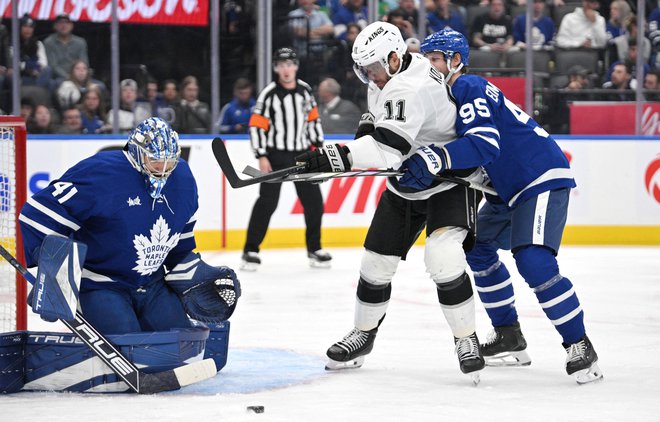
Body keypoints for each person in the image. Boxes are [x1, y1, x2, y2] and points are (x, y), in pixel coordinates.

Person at [399, 29, 603, 384]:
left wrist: (435, 157)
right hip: (505, 188)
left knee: (534, 260)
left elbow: (484, 144)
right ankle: (509, 335)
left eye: (434, 59)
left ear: (455, 61)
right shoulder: (442, 99)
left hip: (536, 175)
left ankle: (580, 345)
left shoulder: (467, 87)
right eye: (424, 59)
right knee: (478, 251)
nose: (427, 67)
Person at [295, 22, 485, 382]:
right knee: (374, 264)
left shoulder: (408, 86)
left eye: (374, 69)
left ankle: (466, 338)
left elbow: (385, 150)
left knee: (443, 260)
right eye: (364, 70)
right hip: (408, 182)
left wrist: (336, 156)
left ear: (394, 57)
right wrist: (354, 144)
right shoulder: (387, 76)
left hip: (449, 179)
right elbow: (377, 124)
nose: (370, 77)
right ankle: (363, 335)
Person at [18, 117, 241, 335]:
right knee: (126, 345)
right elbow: (37, 215)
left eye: (169, 161)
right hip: (99, 282)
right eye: (155, 160)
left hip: (152, 282)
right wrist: (53, 276)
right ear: (136, 153)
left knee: (181, 341)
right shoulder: (101, 174)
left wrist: (194, 270)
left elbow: (180, 240)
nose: (163, 168)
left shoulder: (182, 177)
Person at [241, 47, 331, 271]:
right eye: (281, 65)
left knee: (313, 203)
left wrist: (318, 147)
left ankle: (314, 249)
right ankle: (250, 250)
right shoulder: (269, 94)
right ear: (275, 68)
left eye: (290, 64)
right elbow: (256, 126)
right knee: (267, 203)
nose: (286, 69)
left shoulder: (305, 91)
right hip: (275, 155)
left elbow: (313, 121)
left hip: (302, 155)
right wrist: (261, 155)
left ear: (296, 66)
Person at [43, 14, 89, 83]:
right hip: (59, 78)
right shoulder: (49, 42)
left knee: (100, 86)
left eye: (67, 22)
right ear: (55, 26)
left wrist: (79, 76)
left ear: (72, 26)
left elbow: (84, 62)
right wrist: (68, 77)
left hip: (78, 77)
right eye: (60, 22)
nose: (64, 25)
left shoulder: (80, 42)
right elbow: (53, 66)